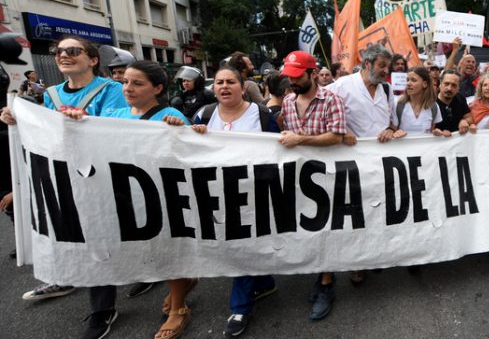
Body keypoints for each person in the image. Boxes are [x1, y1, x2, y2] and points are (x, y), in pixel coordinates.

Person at [1, 36, 128, 339]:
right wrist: (17, 122)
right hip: (63, 177)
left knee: (97, 241)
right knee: (65, 232)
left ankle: (103, 309)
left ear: (93, 59)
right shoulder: (52, 94)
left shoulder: (113, 91)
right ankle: (67, 275)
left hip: (100, 178)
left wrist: (84, 121)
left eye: (73, 51)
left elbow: (116, 129)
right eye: (58, 51)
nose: (63, 55)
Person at [100, 61, 196, 339]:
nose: (128, 88)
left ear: (157, 88)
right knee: (147, 252)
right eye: (126, 82)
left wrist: (181, 131)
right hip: (125, 197)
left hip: (162, 198)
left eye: (137, 83)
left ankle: (178, 308)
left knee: (166, 251)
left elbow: (190, 155)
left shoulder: (170, 115)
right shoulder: (111, 113)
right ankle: (184, 282)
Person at [189, 66, 276, 336]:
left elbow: (277, 150)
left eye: (230, 82)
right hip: (217, 194)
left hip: (255, 192)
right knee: (235, 245)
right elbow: (184, 148)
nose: (224, 87)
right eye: (219, 83)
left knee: (242, 247)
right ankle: (264, 281)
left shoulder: (261, 116)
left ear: (242, 86)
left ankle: (241, 307)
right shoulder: (203, 115)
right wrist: (191, 132)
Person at [277, 51, 347, 322]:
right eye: (289, 77)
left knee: (326, 228)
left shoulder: (332, 99)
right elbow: (284, 130)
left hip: (327, 177)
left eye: (297, 77)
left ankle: (327, 283)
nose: (292, 82)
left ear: (313, 74)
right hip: (298, 177)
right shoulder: (288, 100)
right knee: (307, 228)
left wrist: (301, 140)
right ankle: (320, 276)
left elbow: (337, 136)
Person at [326, 43, 397, 284]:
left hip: (379, 163)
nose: (385, 71)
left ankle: (374, 257)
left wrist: (390, 130)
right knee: (355, 215)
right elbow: (323, 111)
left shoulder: (387, 90)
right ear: (367, 64)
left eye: (387, 66)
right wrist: (341, 129)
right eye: (381, 66)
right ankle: (356, 265)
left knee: (378, 211)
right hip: (351, 162)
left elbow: (393, 123)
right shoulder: (342, 86)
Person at [392, 66, 445, 137]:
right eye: (407, 80)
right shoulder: (398, 105)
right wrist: (395, 133)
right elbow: (392, 131)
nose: (408, 83)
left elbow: (431, 133)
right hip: (402, 147)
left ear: (425, 84)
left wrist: (436, 133)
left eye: (413, 80)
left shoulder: (433, 107)